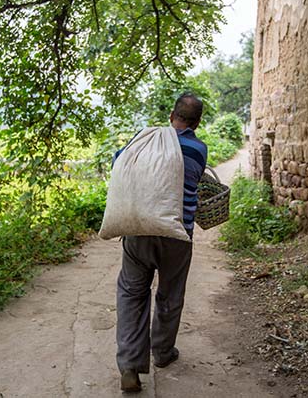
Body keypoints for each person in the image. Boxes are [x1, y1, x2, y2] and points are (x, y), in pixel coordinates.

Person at [114, 91, 208, 393]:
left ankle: (129, 364)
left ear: (171, 116)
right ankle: (163, 353)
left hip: (138, 231)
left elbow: (118, 163)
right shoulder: (198, 149)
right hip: (177, 235)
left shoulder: (143, 141)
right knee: (170, 294)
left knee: (131, 293)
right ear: (198, 122)